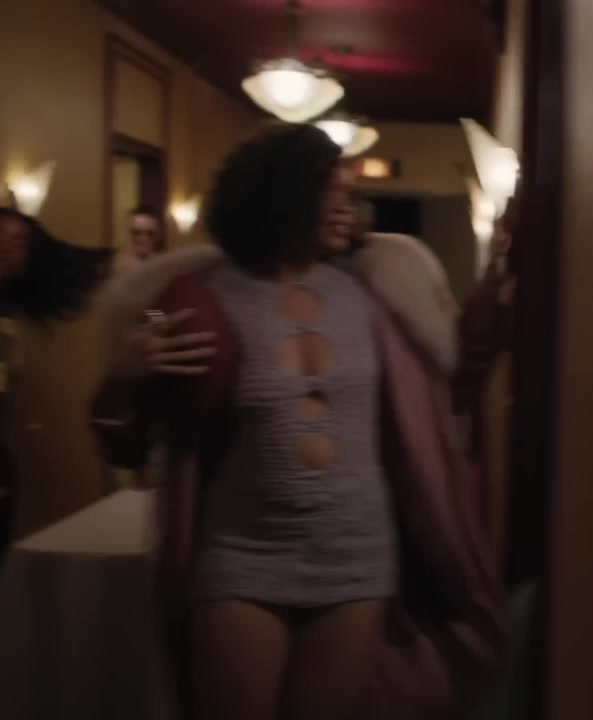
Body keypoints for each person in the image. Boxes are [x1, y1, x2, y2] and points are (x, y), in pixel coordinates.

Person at [90, 125, 507, 720]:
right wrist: (125, 376)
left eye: (350, 195)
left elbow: (447, 391)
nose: (348, 209)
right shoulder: (200, 298)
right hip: (242, 555)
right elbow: (125, 443)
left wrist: (494, 294)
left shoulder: (375, 295)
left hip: (358, 556)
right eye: (330, 193)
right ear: (280, 194)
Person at [0, 207, 112, 562]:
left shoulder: (137, 275)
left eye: (18, 240)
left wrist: (154, 320)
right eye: (2, 235)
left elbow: (155, 312)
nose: (7, 245)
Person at [113, 204, 164, 274]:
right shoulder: (121, 269)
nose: (143, 239)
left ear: (158, 235)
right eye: (137, 233)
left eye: (150, 234)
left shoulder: (165, 267)